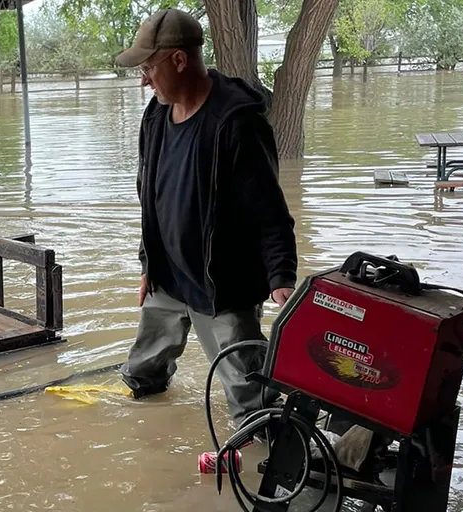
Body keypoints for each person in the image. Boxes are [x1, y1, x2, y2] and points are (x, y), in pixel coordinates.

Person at [114, 9, 299, 430]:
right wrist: (148, 260)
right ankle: (143, 420)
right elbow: (150, 196)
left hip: (224, 285)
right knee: (143, 370)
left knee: (249, 395)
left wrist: (280, 278)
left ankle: (266, 444)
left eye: (149, 67)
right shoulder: (156, 115)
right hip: (167, 275)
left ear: (179, 60)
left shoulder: (237, 123)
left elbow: (270, 211)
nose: (144, 79)